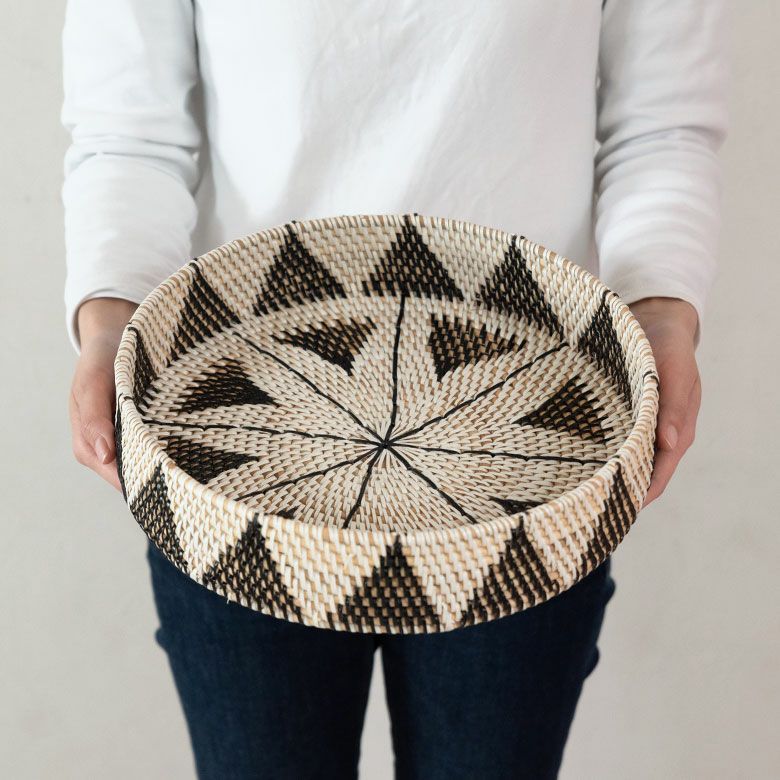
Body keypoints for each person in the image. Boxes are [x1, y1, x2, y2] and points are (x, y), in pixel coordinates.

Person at [61, 2, 727, 778]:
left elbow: (661, 122)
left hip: (534, 451)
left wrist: (661, 308)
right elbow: (128, 130)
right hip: (233, 443)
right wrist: (110, 322)